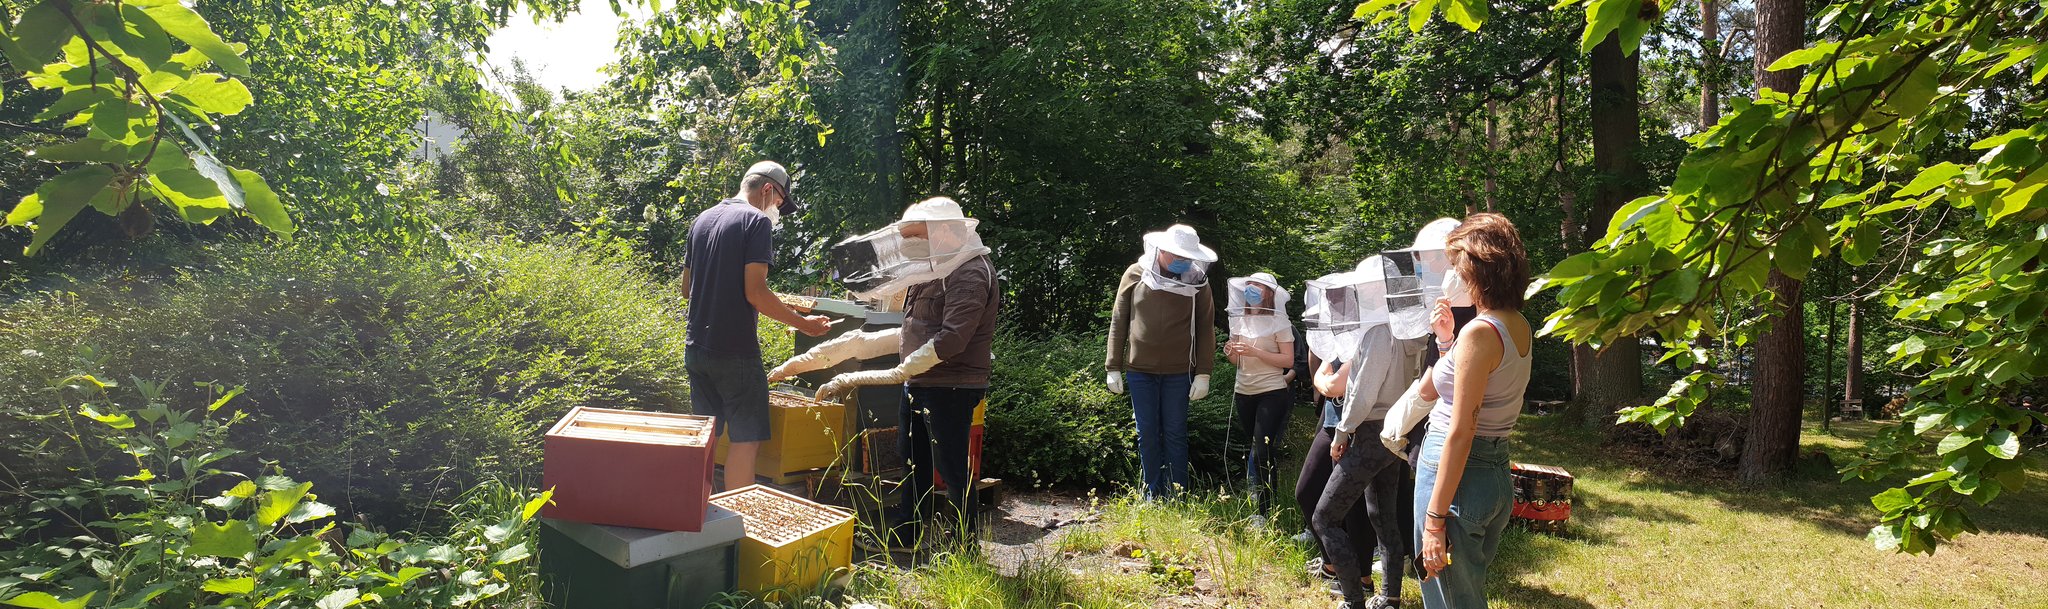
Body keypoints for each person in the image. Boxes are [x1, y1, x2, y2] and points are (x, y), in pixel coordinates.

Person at [799, 198, 1000, 552]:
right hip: (920, 382)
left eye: (915, 236)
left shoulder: (969, 272)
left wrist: (902, 369)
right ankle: (908, 535)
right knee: (912, 462)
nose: (909, 244)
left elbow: (953, 338)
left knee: (951, 467)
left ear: (944, 232)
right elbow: (915, 327)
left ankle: (965, 547)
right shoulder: (933, 268)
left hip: (951, 385)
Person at [680, 160, 833, 492]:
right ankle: (739, 518)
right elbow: (756, 292)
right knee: (746, 441)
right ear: (767, 189)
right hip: (734, 352)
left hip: (696, 349)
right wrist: (804, 324)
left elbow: (687, 289)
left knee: (705, 437)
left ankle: (697, 512)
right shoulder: (755, 221)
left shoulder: (702, 219)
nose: (777, 209)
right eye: (779, 201)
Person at [1414, 213, 1533, 609]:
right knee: (1465, 594)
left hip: (1457, 477)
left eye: (1455, 265)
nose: (1452, 276)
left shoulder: (1480, 332)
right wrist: (1446, 341)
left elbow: (1461, 431)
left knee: (1448, 600)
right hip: (1493, 472)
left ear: (1477, 269)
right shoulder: (1515, 323)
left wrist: (1434, 521)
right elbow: (1477, 383)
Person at [1314, 255, 1425, 609]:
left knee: (1325, 518)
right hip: (1395, 432)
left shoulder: (1379, 331)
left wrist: (1342, 432)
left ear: (1376, 290)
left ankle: (1352, 600)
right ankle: (1390, 598)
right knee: (1383, 517)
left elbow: (1363, 393)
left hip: (1371, 434)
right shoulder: (1408, 328)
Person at [1106, 224, 1217, 500]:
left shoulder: (1198, 282)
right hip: (1139, 370)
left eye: (1187, 256)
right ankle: (1152, 495)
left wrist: (1204, 373)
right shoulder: (1135, 273)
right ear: (1162, 250)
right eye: (1177, 255)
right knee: (1146, 433)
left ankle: (1178, 494)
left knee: (1176, 433)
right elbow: (1119, 320)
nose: (1182, 260)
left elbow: (1206, 328)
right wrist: (1113, 366)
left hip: (1180, 372)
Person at [1224, 272, 1296, 524]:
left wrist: (1255, 351)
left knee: (1262, 450)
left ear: (1269, 293)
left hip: (1271, 392)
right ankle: (1261, 500)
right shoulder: (1238, 320)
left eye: (1258, 285)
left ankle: (1265, 510)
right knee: (1255, 448)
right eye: (1249, 285)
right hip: (1244, 391)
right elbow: (1237, 361)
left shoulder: (1280, 322)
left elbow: (1287, 360)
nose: (1252, 289)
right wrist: (1230, 351)